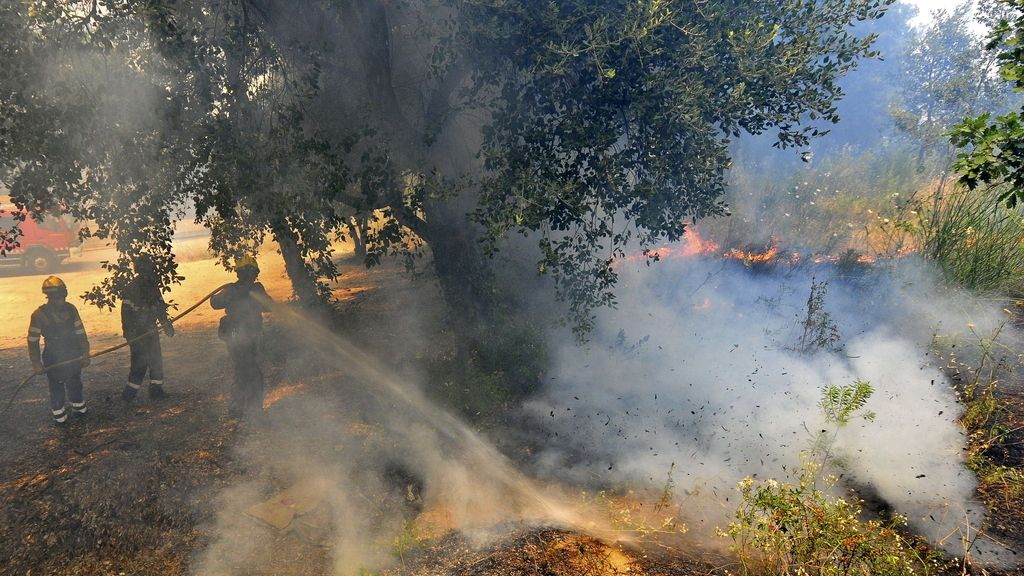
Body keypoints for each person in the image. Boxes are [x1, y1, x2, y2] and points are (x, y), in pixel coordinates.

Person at [210, 255, 271, 418]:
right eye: (249, 273)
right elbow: (215, 303)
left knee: (241, 371)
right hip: (241, 337)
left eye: (251, 273)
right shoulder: (242, 289)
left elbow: (268, 305)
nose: (251, 276)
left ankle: (236, 409)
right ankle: (253, 409)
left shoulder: (244, 289)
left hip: (242, 337)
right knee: (252, 373)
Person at [27, 276, 91, 425]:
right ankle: (59, 416)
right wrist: (36, 363)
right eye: (55, 296)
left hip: (73, 354)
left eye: (61, 295)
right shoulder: (39, 315)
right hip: (53, 357)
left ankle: (79, 409)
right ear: (48, 296)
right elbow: (32, 342)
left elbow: (81, 333)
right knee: (56, 387)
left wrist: (85, 353)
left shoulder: (71, 309)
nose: (59, 299)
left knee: (75, 382)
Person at [120, 254, 175, 402]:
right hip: (137, 334)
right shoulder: (131, 289)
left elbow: (159, 307)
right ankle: (128, 395)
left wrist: (166, 324)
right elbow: (126, 315)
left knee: (156, 360)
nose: (148, 273)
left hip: (151, 330)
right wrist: (130, 335)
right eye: (145, 270)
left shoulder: (152, 287)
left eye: (149, 271)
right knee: (139, 363)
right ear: (139, 270)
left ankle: (156, 390)